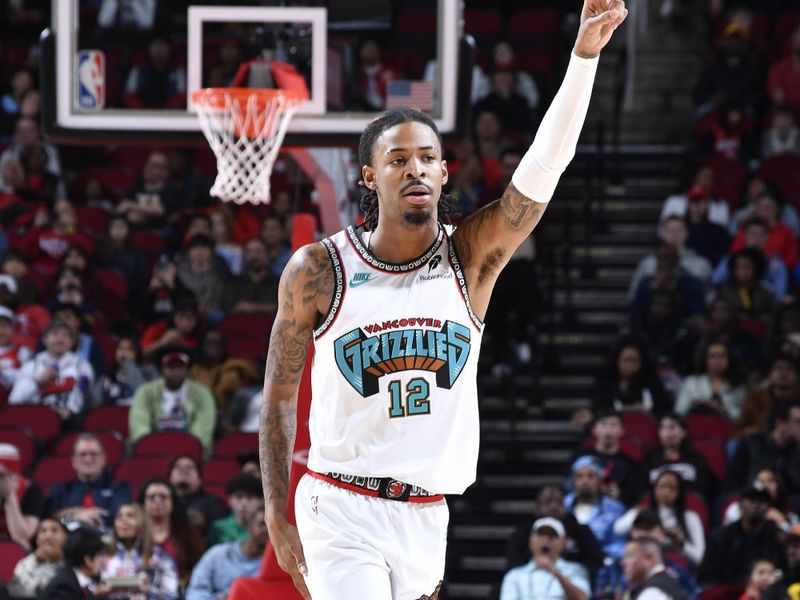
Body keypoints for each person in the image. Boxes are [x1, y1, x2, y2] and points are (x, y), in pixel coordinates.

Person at [259, 2, 629, 598]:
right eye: (398, 159)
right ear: (368, 177)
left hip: (428, 514)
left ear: (444, 173)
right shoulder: (319, 269)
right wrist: (277, 511)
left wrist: (583, 59)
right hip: (341, 506)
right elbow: (278, 397)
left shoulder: (471, 259)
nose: (416, 169)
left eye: (428, 158)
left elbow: (544, 169)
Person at [129, 347, 216, 454]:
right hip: (154, 450)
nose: (175, 372)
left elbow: (202, 432)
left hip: (189, 452)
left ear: (187, 370)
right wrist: (153, 448)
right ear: (162, 369)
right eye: (171, 367)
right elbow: (139, 427)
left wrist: (184, 450)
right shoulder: (145, 392)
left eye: (179, 367)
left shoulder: (202, 394)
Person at [698, 483, 787, 587]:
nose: (756, 505)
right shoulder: (720, 538)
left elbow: (784, 574)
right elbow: (707, 581)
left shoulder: (776, 537)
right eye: (752, 501)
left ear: (768, 508)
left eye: (761, 501)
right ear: (740, 504)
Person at [614, 470, 706, 567]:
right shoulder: (642, 511)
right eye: (662, 486)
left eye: (672, 488)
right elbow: (618, 529)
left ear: (680, 492)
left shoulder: (690, 517)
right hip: (642, 564)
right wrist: (636, 514)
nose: (666, 492)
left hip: (675, 568)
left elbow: (700, 558)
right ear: (654, 489)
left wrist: (680, 543)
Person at [9, 319, 95, 422]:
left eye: (65, 336)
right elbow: (15, 400)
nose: (60, 339)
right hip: (36, 416)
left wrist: (71, 409)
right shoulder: (31, 365)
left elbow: (89, 398)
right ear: (44, 339)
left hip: (71, 419)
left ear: (72, 342)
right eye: (55, 334)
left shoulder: (82, 366)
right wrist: (37, 383)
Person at [505, 486, 605, 573]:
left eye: (558, 502)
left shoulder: (580, 531)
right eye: (548, 502)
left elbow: (594, 561)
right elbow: (514, 565)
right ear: (537, 508)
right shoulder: (523, 533)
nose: (554, 506)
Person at [48, 433, 131, 529]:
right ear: (73, 461)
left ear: (103, 458)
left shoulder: (119, 488)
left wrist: (70, 513)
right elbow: (54, 521)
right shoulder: (61, 490)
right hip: (68, 542)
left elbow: (116, 518)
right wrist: (76, 516)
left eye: (93, 454)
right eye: (82, 454)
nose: (88, 459)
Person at [185, 505, 267, 600]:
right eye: (262, 524)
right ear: (249, 526)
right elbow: (195, 590)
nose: (267, 530)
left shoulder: (278, 566)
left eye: (272, 526)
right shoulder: (218, 554)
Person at [498, 517, 591, 600]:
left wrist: (555, 572)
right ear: (530, 542)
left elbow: (582, 598)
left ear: (563, 543)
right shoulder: (515, 575)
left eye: (552, 536)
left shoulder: (576, 570)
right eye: (540, 535)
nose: (545, 540)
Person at [101, 502, 179, 600]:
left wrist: (149, 591)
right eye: (119, 516)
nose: (122, 520)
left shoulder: (158, 556)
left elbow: (173, 595)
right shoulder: (104, 556)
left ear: (142, 522)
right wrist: (99, 592)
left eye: (130, 516)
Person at [139, 478, 205, 587]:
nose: (157, 501)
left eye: (163, 497)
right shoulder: (135, 531)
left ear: (172, 502)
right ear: (143, 502)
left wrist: (183, 583)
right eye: (151, 497)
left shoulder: (187, 531)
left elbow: (198, 566)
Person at [573, 410, 642, 506]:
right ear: (594, 429)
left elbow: (634, 496)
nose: (608, 430)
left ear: (622, 430)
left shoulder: (629, 464)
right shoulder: (580, 458)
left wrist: (620, 496)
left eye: (613, 425)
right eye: (603, 424)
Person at [564, 455, 626, 560]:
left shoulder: (615, 509)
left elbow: (620, 545)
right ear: (573, 482)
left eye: (590, 476)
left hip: (601, 565)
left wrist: (598, 554)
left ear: (600, 481)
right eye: (579, 476)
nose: (584, 481)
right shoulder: (563, 506)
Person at [642, 414, 716, 501]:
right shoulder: (649, 460)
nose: (667, 432)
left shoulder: (697, 460)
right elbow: (642, 490)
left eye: (672, 427)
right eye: (663, 428)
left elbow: (704, 490)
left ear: (684, 432)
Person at [674, 339, 747, 419]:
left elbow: (745, 417)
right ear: (705, 359)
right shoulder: (692, 382)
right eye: (712, 356)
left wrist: (723, 409)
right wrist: (698, 406)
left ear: (729, 359)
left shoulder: (738, 386)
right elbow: (679, 412)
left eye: (722, 356)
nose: (717, 361)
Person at [735, 354, 800, 437]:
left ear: (797, 376)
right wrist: (751, 431)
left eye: (789, 369)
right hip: (762, 442)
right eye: (779, 368)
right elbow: (739, 429)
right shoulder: (756, 397)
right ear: (770, 375)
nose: (784, 373)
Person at [8, 517, 67, 598]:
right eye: (43, 531)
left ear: (65, 538)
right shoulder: (26, 563)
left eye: (54, 531)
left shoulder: (70, 563)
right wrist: (35, 560)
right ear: (37, 539)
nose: (48, 536)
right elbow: (16, 590)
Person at [168, 455, 227, 537]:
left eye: (190, 468)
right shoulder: (163, 501)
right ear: (169, 477)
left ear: (200, 479)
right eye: (178, 467)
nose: (184, 471)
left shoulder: (213, 503)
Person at [42, 526, 107, 599]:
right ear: (88, 560)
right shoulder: (65, 587)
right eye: (99, 555)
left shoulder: (75, 581)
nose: (102, 561)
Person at [0, 443, 44, 548]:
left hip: (16, 549)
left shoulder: (30, 490)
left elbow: (22, 537)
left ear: (13, 475)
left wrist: (10, 497)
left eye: (2, 476)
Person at [221, 236, 280, 314]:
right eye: (250, 252)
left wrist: (252, 307)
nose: (254, 256)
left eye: (258, 251)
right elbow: (228, 308)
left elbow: (280, 308)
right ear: (245, 256)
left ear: (267, 255)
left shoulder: (278, 283)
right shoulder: (235, 283)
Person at [622, 537, 691, 599]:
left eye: (629, 556)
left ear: (648, 558)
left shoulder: (652, 593)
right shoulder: (666, 583)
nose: (623, 563)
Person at [207, 474, 262, 546]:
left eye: (250, 497)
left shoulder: (266, 530)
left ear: (261, 501)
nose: (244, 503)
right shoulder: (218, 527)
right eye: (239, 497)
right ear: (229, 500)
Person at [0, 305, 30, 391]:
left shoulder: (22, 351)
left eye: (4, 326)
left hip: (12, 397)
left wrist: (3, 375)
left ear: (13, 329)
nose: (0, 331)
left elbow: (27, 377)